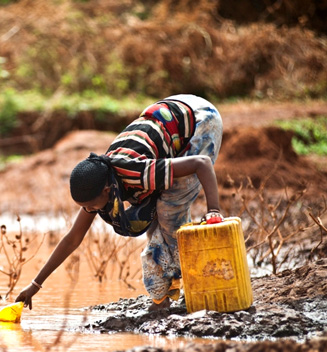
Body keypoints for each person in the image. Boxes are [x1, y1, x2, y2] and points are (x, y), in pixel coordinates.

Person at [15, 94, 224, 312]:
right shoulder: (101, 179)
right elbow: (73, 238)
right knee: (154, 217)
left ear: (107, 190)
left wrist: (213, 211)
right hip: (169, 115)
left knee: (169, 207)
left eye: (92, 206)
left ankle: (193, 284)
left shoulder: (136, 172)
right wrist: (35, 284)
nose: (90, 211)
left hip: (200, 118)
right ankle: (163, 297)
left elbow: (201, 163)